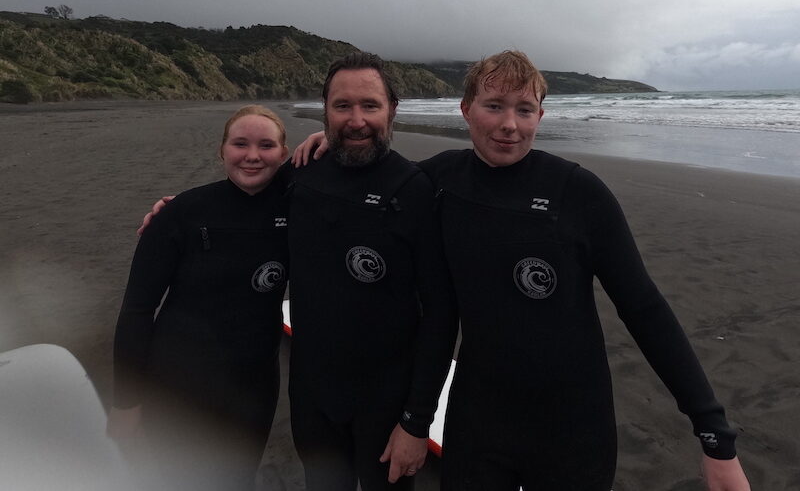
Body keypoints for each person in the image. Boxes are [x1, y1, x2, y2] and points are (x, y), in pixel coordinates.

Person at [294, 50, 750, 491]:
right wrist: (326, 147)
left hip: (573, 424)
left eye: (524, 110)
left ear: (540, 117)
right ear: (467, 110)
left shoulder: (579, 193)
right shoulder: (439, 180)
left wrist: (714, 437)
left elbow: (646, 310)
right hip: (478, 422)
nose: (509, 125)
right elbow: (374, 167)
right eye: (494, 107)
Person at [138, 53, 458, 491]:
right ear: (325, 110)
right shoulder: (300, 176)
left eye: (370, 105)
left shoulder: (416, 190)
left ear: (392, 110)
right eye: (342, 106)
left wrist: (417, 424)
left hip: (386, 401)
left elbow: (441, 316)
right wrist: (177, 212)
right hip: (312, 397)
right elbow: (243, 194)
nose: (357, 119)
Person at [108, 105, 290, 491]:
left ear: (284, 154)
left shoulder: (297, 209)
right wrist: (125, 401)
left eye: (266, 145)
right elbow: (138, 310)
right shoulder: (181, 214)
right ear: (222, 150)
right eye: (240, 144)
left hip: (254, 384)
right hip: (178, 381)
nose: (253, 155)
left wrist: (323, 137)